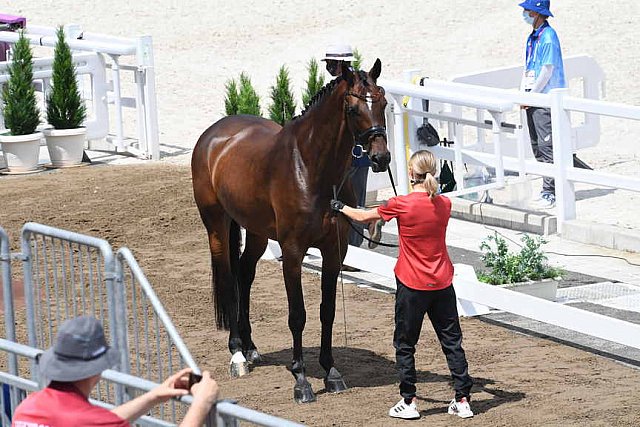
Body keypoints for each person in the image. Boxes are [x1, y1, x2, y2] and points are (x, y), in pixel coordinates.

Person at [330, 150, 473, 420]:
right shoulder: (444, 204)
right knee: (452, 342)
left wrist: (339, 207)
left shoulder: (401, 204)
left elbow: (364, 217)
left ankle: (408, 401)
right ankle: (462, 398)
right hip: (442, 282)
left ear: (411, 174)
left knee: (405, 344)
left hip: (412, 283)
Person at [12, 315, 219, 427]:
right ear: (96, 369)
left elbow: (98, 422)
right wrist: (201, 403)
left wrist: (153, 397)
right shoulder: (91, 421)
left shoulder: (27, 407)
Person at [322, 43, 383, 258]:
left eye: (330, 63)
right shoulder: (362, 81)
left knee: (348, 201)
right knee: (352, 200)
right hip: (360, 155)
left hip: (349, 156)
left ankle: (354, 253)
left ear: (338, 63)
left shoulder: (344, 87)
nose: (328, 68)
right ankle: (368, 226)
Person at [519, 0, 566, 209]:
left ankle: (551, 192)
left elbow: (547, 69)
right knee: (536, 145)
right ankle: (547, 188)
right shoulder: (533, 36)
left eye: (527, 10)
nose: (524, 13)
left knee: (547, 146)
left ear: (537, 13)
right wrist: (523, 93)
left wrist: (532, 96)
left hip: (544, 99)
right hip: (533, 97)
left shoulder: (548, 36)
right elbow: (529, 66)